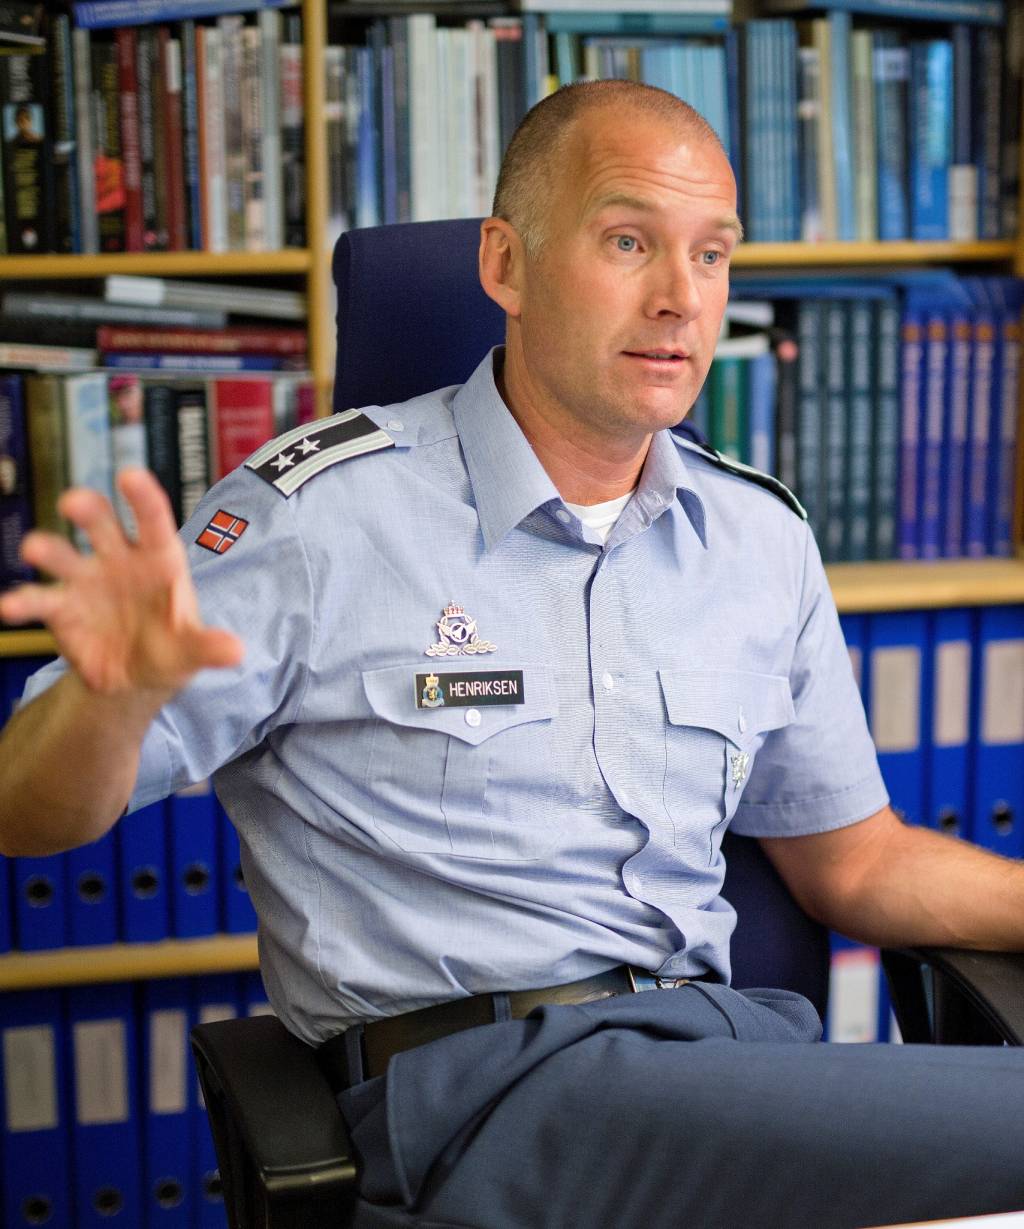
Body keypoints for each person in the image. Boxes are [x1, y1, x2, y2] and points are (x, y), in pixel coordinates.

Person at [2, 81, 1024, 1228]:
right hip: (475, 1094)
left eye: (713, 254)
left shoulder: (759, 539)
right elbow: (27, 812)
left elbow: (858, 865)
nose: (680, 298)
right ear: (506, 263)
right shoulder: (317, 518)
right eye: (628, 240)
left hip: (720, 1058)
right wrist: (114, 696)